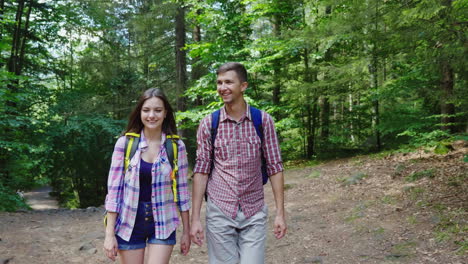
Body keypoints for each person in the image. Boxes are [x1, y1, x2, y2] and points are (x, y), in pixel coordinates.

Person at [190, 62, 287, 264]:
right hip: (220, 209)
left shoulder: (263, 121)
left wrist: (280, 213)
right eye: (219, 82)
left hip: (254, 210)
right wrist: (195, 218)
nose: (222, 87)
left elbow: (275, 167)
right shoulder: (209, 123)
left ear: (243, 86)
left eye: (228, 82)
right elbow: (201, 170)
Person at [103, 88, 191, 264]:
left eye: (158, 110)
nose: (152, 115)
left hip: (163, 220)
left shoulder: (175, 146)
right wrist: (109, 234)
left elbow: (182, 192)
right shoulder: (125, 144)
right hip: (129, 222)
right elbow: (114, 192)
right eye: (146, 110)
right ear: (139, 112)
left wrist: (186, 232)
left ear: (165, 113)